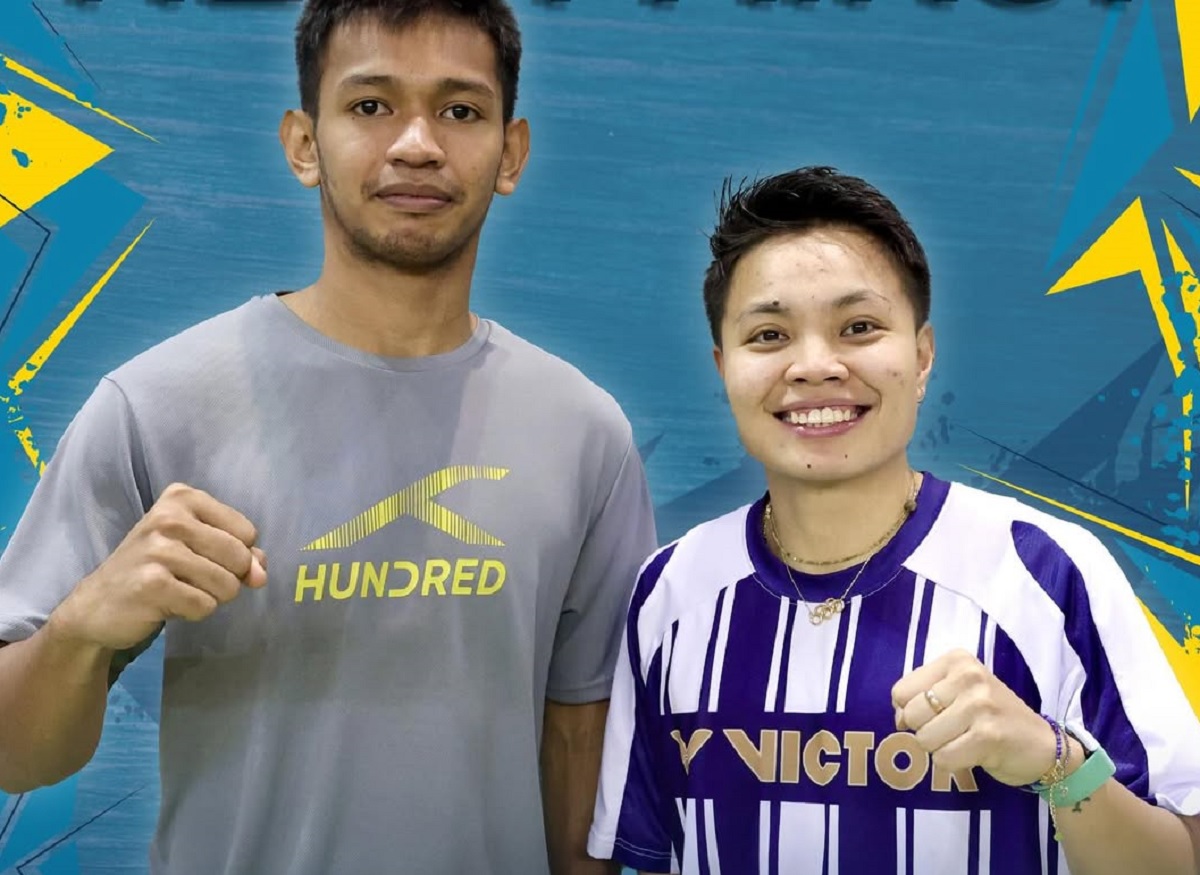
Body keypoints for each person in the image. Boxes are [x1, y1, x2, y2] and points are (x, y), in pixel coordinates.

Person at [0, 1, 657, 873]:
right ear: (304, 143)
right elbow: (16, 756)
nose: (417, 144)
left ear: (511, 151)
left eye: (460, 110)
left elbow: (582, 751)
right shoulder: (155, 405)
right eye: (371, 105)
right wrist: (80, 630)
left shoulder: (584, 434)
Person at [587, 166, 1200, 874]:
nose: (814, 366)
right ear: (724, 367)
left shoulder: (1045, 571)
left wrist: (1054, 761)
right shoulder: (670, 592)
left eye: (859, 327)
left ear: (922, 355)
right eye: (769, 334)